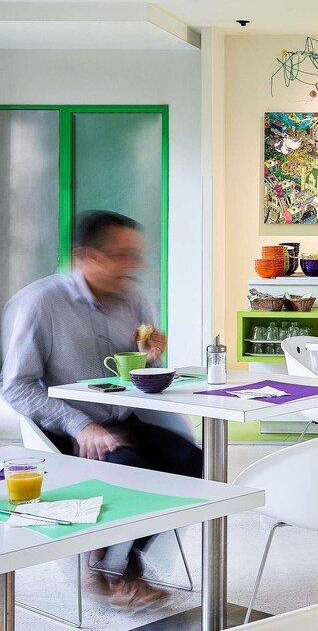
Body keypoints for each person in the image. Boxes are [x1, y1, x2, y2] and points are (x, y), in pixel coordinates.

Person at [1, 211, 203, 610]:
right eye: (121, 255)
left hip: (122, 417)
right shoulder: (40, 303)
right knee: (129, 469)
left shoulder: (132, 298)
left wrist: (149, 358)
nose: (134, 265)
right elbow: (15, 385)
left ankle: (121, 554)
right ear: (86, 256)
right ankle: (115, 568)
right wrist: (80, 425)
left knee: (194, 463)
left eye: (136, 254)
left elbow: (128, 373)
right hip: (65, 427)